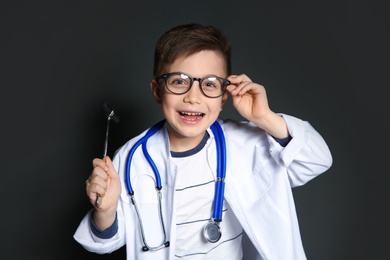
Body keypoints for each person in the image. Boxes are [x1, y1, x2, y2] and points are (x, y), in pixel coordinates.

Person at [74, 23, 332, 260]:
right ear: (157, 91)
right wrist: (105, 211)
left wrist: (265, 117)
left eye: (209, 84)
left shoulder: (246, 144)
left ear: (223, 97)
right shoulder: (132, 158)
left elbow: (317, 160)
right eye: (179, 82)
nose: (193, 97)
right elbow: (103, 243)